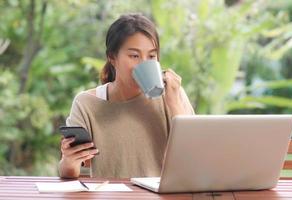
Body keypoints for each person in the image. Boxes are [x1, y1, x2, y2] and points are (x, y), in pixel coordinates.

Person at [59, 13, 194, 179]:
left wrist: (174, 105)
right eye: (134, 56)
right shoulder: (86, 103)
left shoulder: (174, 96)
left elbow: (194, 159)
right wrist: (69, 161)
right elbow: (71, 175)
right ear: (112, 58)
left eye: (151, 56)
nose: (144, 63)